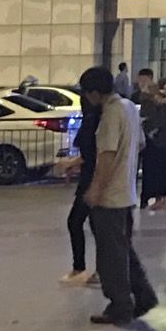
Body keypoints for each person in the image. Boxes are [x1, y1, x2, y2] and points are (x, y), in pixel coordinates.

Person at [78, 66, 158, 325]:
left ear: (93, 93)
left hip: (111, 197)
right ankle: (143, 294)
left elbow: (107, 156)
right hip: (127, 191)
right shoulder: (128, 107)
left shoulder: (111, 114)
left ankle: (120, 305)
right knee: (123, 250)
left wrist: (96, 189)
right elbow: (141, 143)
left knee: (110, 255)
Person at [57, 93, 102, 285]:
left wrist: (71, 163)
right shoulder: (99, 119)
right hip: (91, 178)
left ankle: (81, 268)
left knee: (77, 221)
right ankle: (92, 269)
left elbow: (91, 155)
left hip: (92, 180)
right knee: (95, 225)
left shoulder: (93, 122)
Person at [140, 77, 166, 213]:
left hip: (162, 142)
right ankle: (159, 198)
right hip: (157, 142)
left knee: (163, 170)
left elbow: (165, 119)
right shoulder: (160, 100)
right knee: (157, 170)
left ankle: (163, 199)